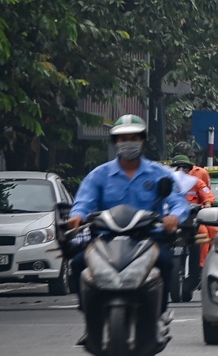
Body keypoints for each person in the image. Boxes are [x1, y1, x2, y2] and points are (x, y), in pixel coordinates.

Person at [67, 116, 190, 342]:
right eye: (123, 139)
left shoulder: (159, 174)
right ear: (116, 142)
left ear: (142, 141)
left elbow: (178, 201)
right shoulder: (99, 175)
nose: (128, 143)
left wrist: (174, 216)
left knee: (165, 262)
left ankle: (160, 314)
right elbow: (84, 201)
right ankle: (90, 317)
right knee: (77, 264)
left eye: (133, 138)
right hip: (105, 240)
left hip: (147, 239)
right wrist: (76, 217)